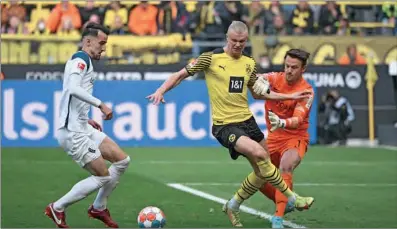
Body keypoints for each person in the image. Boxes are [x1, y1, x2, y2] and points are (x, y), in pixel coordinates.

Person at [147, 21, 314, 228]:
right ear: (227, 38)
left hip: (248, 122)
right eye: (234, 41)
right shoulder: (210, 58)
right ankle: (292, 198)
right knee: (261, 155)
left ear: (246, 41)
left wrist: (290, 95)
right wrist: (161, 90)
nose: (237, 45)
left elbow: (259, 93)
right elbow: (180, 75)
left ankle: (233, 205)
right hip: (225, 126)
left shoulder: (249, 63)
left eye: (242, 41)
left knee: (263, 173)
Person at [44, 23, 130, 228]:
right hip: (73, 133)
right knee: (102, 177)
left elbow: (71, 92)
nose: (103, 48)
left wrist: (84, 116)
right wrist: (100, 104)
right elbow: (73, 88)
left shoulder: (86, 62)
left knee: (122, 160)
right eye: (101, 43)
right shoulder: (80, 59)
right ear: (88, 41)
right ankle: (57, 207)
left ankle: (98, 208)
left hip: (82, 126)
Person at [253, 49, 314, 228]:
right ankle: (289, 200)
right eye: (287, 66)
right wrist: (259, 80)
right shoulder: (275, 77)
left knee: (286, 166)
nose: (289, 70)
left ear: (303, 69)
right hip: (273, 138)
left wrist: (281, 122)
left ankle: (278, 218)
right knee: (258, 176)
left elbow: (298, 120)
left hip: (295, 137)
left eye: (294, 67)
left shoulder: (306, 91)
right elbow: (256, 76)